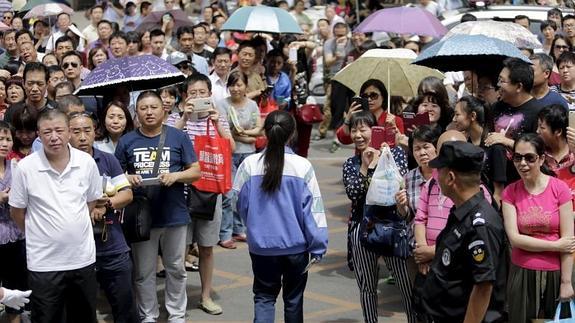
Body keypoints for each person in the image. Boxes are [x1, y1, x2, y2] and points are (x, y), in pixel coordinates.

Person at [233, 110, 328, 323]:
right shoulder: (303, 166)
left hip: (261, 247)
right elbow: (314, 211)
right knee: (293, 301)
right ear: (292, 133)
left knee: (264, 297)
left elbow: (238, 203)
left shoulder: (250, 165)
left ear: (265, 132)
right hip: (296, 248)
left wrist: (253, 224)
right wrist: (318, 246)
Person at [10, 108, 103, 323]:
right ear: (38, 135)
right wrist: (39, 232)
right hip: (44, 264)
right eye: (47, 132)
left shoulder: (86, 162)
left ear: (69, 131)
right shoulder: (25, 168)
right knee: (46, 318)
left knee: (83, 317)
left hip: (82, 259)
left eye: (59, 130)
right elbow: (17, 212)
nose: (54, 137)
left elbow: (90, 202)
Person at [115, 91, 201, 322]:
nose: (149, 112)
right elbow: (114, 177)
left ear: (164, 110)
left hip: (174, 214)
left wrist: (176, 176)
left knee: (176, 269)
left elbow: (195, 171)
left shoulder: (178, 137)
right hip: (142, 217)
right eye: (143, 108)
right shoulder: (127, 141)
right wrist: (127, 177)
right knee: (144, 272)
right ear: (137, 112)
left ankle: (176, 314)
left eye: (154, 107)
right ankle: (148, 315)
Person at [166, 74, 233, 315]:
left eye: (202, 92)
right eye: (192, 93)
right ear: (185, 97)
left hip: (209, 192)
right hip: (181, 192)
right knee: (179, 249)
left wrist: (216, 123)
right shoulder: (175, 117)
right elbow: (168, 145)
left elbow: (230, 149)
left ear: (210, 94)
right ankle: (177, 300)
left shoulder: (218, 119)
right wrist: (184, 116)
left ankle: (205, 296)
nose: (198, 97)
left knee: (206, 247)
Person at [419, 141, 507, 323]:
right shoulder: (461, 212)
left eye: (439, 171)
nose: (436, 176)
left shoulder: (480, 225)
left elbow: (483, 286)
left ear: (450, 178)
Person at [342, 110, 415, 323]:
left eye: (363, 129)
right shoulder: (351, 163)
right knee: (367, 287)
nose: (357, 135)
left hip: (394, 227)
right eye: (354, 130)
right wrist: (366, 166)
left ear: (375, 131)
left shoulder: (396, 155)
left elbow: (399, 185)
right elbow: (354, 193)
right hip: (362, 228)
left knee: (406, 284)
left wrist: (386, 157)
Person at [68, 111, 138, 323]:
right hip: (76, 250)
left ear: (95, 132)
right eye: (76, 131)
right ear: (67, 134)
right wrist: (89, 208)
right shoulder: (63, 165)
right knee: (81, 311)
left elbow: (127, 194)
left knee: (125, 306)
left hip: (112, 245)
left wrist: (106, 204)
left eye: (87, 130)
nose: (82, 136)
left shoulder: (107, 159)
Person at [502, 133, 575, 322]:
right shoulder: (510, 192)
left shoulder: (560, 189)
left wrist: (566, 282)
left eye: (530, 158)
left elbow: (569, 241)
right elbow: (515, 239)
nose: (523, 163)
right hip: (522, 272)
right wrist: (556, 245)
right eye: (517, 157)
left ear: (542, 158)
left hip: (556, 273)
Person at [218, 71, 260, 249]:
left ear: (245, 87)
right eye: (232, 85)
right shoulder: (221, 105)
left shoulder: (252, 105)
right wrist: (248, 137)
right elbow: (226, 132)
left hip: (249, 155)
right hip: (228, 153)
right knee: (229, 195)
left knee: (244, 194)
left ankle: (239, 228)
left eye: (239, 84)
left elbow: (258, 130)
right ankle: (225, 233)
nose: (236, 88)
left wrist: (243, 135)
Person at [452, 96, 507, 206]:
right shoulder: (464, 145)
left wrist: (489, 215)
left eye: (457, 115)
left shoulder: (495, 147)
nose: (454, 119)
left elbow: (498, 192)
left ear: (472, 116)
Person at [0, 120, 27, 323]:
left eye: (8, 139)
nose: (5, 143)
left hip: (16, 235)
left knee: (15, 289)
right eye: (0, 139)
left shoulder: (17, 165)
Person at [337, 79, 404, 146]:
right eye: (365, 96)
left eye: (373, 95)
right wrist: (348, 119)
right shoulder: (359, 118)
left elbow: (400, 145)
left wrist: (393, 127)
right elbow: (343, 139)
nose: (369, 99)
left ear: (383, 97)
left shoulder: (395, 120)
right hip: (363, 156)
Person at [537, 104, 573, 173]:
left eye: (542, 127)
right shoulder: (537, 152)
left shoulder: (572, 153)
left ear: (558, 131)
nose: (537, 131)